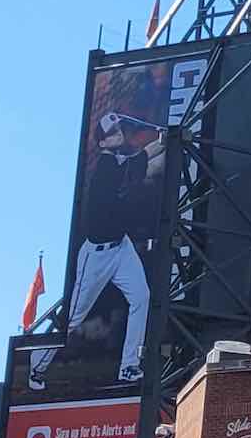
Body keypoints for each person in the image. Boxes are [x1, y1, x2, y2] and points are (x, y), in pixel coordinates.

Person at [30, 113, 162, 390]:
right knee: (74, 317)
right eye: (112, 131)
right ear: (103, 140)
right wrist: (155, 147)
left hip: (121, 248)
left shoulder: (116, 160)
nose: (118, 133)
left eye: (118, 129)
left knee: (142, 297)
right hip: (96, 255)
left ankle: (128, 366)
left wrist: (163, 140)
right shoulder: (105, 167)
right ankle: (37, 365)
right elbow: (132, 170)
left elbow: (139, 158)